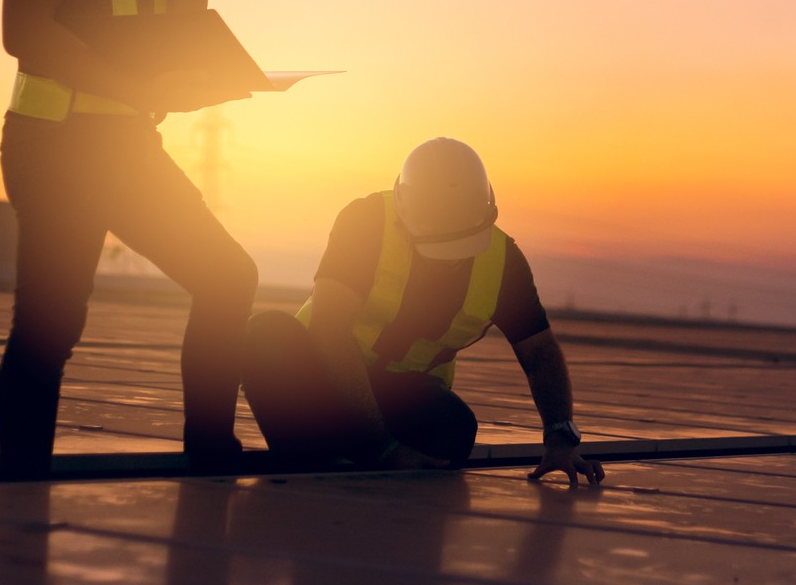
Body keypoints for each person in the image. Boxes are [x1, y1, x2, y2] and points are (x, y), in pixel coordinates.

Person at [0, 0, 260, 478]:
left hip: (124, 143)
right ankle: (22, 490)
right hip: (57, 145)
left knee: (227, 278)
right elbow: (27, 34)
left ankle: (209, 455)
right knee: (51, 326)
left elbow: (172, 29)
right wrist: (139, 89)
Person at [243, 138, 605, 484]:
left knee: (454, 430)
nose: (452, 261)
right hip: (321, 373)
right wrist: (383, 450)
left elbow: (538, 352)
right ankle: (311, 453)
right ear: (404, 217)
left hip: (402, 390)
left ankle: (334, 443)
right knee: (267, 334)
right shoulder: (367, 222)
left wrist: (560, 438)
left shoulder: (503, 262)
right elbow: (329, 330)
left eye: (464, 245)